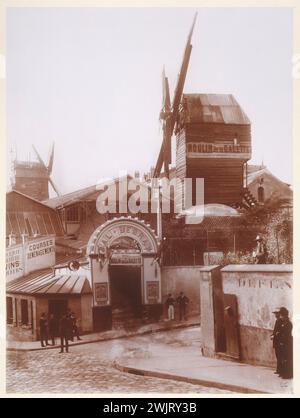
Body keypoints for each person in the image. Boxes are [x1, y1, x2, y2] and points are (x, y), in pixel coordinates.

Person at [277, 307, 293, 379]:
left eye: (282, 315)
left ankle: (288, 374)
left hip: (287, 344)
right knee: (283, 358)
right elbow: (281, 332)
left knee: (287, 359)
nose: (281, 317)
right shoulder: (283, 323)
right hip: (282, 343)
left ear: (285, 316)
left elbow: (286, 334)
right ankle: (284, 373)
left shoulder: (289, 324)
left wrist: (280, 335)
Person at [271, 309, 282, 375]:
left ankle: (280, 370)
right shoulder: (277, 321)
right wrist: (272, 335)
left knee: (280, 356)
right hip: (276, 341)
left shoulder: (280, 321)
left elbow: (279, 331)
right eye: (275, 313)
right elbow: (275, 331)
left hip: (279, 341)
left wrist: (274, 335)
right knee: (278, 356)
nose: (275, 315)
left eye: (276, 313)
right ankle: (278, 370)